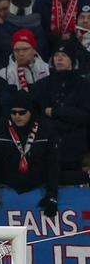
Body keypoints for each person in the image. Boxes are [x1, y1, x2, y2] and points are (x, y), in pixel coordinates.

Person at [0, 90, 61, 216]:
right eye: (13, 112)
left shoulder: (46, 129)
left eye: (22, 112)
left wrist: (52, 195)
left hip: (37, 182)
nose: (17, 116)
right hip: (7, 183)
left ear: (31, 111)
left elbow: (52, 164)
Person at [36, 39, 90, 184]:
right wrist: (69, 114)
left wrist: (55, 112)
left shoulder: (84, 85)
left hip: (75, 146)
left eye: (64, 55)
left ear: (72, 60)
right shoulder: (42, 85)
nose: (59, 58)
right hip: (47, 144)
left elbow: (84, 115)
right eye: (56, 55)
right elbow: (39, 113)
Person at [0, 28, 51, 97]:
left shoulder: (48, 70)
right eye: (16, 50)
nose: (21, 54)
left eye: (25, 49)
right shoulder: (4, 74)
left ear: (34, 50)